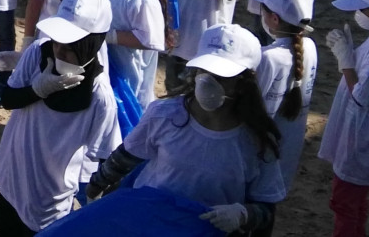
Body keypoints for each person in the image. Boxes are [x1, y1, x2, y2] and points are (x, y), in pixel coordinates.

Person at [87, 24, 286, 236]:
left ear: (243, 81)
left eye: (221, 75)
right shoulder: (164, 115)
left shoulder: (257, 141)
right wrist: (95, 187)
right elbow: (126, 157)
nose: (208, 80)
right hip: (152, 226)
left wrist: (243, 215)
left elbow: (266, 209)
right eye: (204, 70)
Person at [0, 0, 120, 236]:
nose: (60, 49)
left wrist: (96, 202)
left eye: (71, 44)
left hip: (48, 203)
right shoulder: (39, 52)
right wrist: (38, 89)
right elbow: (8, 99)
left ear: (91, 43)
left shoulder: (99, 96)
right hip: (11, 180)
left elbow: (106, 157)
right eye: (58, 39)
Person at [247, 0, 317, 190]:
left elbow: (255, 108)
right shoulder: (310, 47)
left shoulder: (269, 57)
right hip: (288, 150)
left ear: (274, 19)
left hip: (261, 152)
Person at [322, 0, 369, 237]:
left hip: (359, 144)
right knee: (356, 205)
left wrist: (345, 61)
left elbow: (361, 97)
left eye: (364, 8)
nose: (359, 13)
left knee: (346, 205)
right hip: (358, 141)